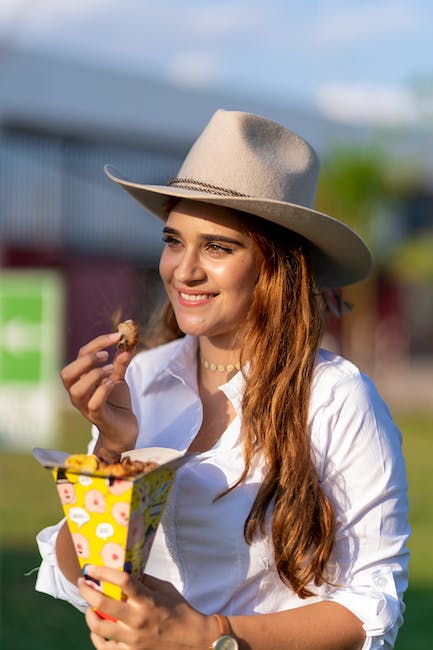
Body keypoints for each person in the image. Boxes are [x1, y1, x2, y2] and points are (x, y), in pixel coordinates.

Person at [35, 109, 410, 650]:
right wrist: (113, 452)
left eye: (217, 246)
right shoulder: (138, 378)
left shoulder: (334, 397)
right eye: (173, 240)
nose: (183, 270)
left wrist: (210, 636)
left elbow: (369, 609)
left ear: (276, 265)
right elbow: (87, 575)